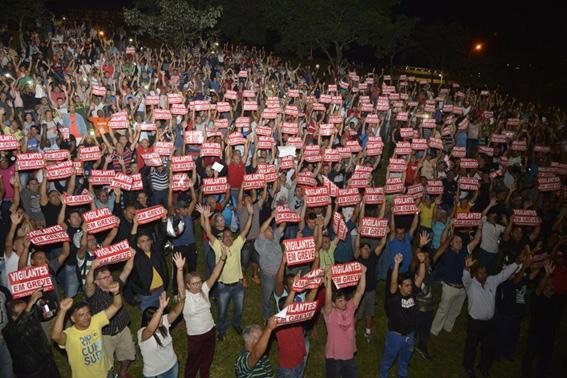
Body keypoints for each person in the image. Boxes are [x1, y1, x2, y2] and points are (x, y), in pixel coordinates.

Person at [198, 201, 254, 341]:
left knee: (238, 310)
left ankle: (236, 324)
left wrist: (251, 215)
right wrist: (205, 217)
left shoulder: (236, 245)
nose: (228, 238)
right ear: (221, 239)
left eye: (230, 236)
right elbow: (208, 232)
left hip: (238, 285)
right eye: (225, 236)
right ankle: (222, 330)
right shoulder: (218, 246)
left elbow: (245, 230)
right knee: (222, 312)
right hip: (222, 287)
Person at [462, 255, 519, 377]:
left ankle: (484, 367)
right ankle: (468, 366)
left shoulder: (491, 281)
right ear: (475, 273)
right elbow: (465, 279)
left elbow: (504, 275)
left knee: (488, 347)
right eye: (479, 273)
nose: (482, 275)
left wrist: (517, 263)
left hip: (490, 322)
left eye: (484, 272)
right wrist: (466, 269)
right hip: (475, 323)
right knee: (471, 346)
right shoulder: (471, 285)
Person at [51, 281, 123, 378]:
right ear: (73, 319)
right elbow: (55, 336)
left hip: (107, 373)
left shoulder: (95, 321)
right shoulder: (69, 335)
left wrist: (116, 293)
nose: (87, 317)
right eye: (81, 315)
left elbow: (116, 305)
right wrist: (63, 310)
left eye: (88, 313)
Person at [379, 236, 427, 378]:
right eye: (406, 285)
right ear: (400, 286)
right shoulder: (395, 296)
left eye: (410, 285)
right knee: (387, 361)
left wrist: (422, 261)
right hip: (395, 336)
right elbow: (393, 283)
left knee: (404, 362)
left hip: (409, 336)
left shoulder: (412, 293)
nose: (410, 287)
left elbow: (420, 277)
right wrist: (396, 265)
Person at [84, 253, 137, 378]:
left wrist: (132, 256)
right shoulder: (93, 294)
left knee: (128, 354)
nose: (109, 278)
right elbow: (89, 284)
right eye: (105, 277)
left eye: (109, 275)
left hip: (123, 327)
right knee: (106, 363)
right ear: (97, 282)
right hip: (105, 334)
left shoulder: (116, 284)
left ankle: (123, 372)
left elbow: (127, 270)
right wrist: (92, 268)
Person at [181, 246, 227, 378]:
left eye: (199, 282)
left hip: (210, 331)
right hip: (195, 336)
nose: (198, 285)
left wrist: (223, 258)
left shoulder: (204, 290)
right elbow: (179, 284)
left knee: (207, 360)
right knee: (192, 363)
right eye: (194, 284)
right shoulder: (185, 297)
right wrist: (179, 270)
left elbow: (215, 274)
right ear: (188, 285)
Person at [430, 222, 482, 336]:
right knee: (443, 309)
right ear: (451, 244)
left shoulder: (464, 252)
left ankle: (448, 327)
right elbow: (443, 240)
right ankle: (434, 330)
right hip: (449, 287)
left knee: (455, 310)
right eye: (457, 242)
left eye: (461, 242)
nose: (460, 243)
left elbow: (476, 241)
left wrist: (480, 228)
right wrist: (448, 226)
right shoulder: (447, 252)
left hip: (462, 288)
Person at [322, 262, 367, 377]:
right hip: (333, 358)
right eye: (340, 301)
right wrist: (329, 278)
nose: (344, 302)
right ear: (333, 304)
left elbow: (360, 292)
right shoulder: (330, 314)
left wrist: (363, 273)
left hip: (349, 356)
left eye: (344, 299)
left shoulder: (350, 307)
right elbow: (327, 299)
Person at [3, 289, 60, 378]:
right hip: (31, 373)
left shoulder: (31, 319)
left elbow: (48, 311)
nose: (28, 313)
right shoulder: (8, 331)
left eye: (27, 309)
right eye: (23, 311)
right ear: (13, 316)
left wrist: (41, 298)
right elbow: (18, 328)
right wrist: (30, 304)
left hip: (48, 364)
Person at [138, 288, 185, 378]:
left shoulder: (163, 323)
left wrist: (182, 300)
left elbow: (175, 312)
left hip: (172, 367)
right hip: (155, 374)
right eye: (157, 319)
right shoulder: (142, 333)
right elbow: (151, 330)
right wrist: (160, 309)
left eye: (161, 318)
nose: (160, 320)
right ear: (148, 322)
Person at [254, 209, 286, 321]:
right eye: (269, 230)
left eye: (271, 229)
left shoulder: (275, 237)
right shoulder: (261, 243)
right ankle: (267, 318)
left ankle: (280, 314)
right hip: (269, 276)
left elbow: (282, 225)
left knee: (280, 294)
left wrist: (283, 213)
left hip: (280, 274)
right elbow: (261, 231)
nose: (271, 231)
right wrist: (272, 217)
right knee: (267, 298)